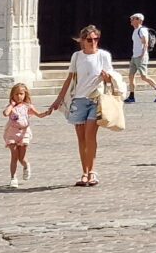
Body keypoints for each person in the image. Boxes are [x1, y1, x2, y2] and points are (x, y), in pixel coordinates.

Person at [43, 24, 119, 188]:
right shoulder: (77, 56)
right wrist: (58, 100)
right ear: (82, 41)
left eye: (96, 39)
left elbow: (111, 78)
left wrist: (107, 78)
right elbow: (69, 79)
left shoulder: (103, 56)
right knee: (81, 139)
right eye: (90, 40)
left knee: (90, 136)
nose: (93, 42)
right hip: (78, 101)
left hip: (95, 100)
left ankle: (92, 172)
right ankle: (84, 172)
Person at [1, 81, 47, 188]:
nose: (18, 96)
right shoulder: (11, 107)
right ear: (12, 95)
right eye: (16, 94)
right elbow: (5, 113)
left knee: (22, 157)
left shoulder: (27, 106)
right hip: (12, 133)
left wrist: (47, 112)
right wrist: (11, 105)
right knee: (14, 156)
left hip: (24, 133)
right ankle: (13, 178)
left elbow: (39, 114)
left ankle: (26, 165)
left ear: (25, 94)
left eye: (21, 94)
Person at [125, 13, 156, 103]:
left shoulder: (142, 30)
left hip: (140, 56)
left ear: (139, 20)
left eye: (133, 19)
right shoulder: (135, 30)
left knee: (144, 76)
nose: (131, 20)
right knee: (131, 76)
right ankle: (132, 96)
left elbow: (145, 42)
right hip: (134, 56)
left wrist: (142, 55)